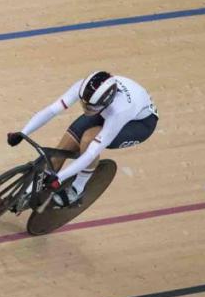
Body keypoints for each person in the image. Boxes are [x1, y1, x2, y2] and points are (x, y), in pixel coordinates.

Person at [8, 71, 159, 207]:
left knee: (88, 140)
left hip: (139, 124)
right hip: (105, 110)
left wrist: (60, 178)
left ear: (106, 103)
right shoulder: (85, 88)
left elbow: (91, 153)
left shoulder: (119, 111)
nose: (86, 110)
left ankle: (77, 188)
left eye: (91, 108)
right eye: (84, 105)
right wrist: (22, 133)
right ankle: (29, 192)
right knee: (62, 149)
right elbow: (52, 110)